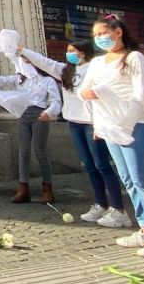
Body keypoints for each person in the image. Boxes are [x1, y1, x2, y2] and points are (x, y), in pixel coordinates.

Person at [80, 14, 144, 258]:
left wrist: (126, 123)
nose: (99, 38)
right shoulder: (97, 63)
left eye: (102, 33)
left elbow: (143, 96)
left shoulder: (134, 58)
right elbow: (84, 89)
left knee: (142, 178)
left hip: (134, 125)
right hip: (110, 127)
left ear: (118, 31)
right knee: (128, 179)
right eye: (96, 35)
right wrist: (90, 98)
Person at [22, 41, 131, 228]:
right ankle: (100, 204)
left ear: (82, 52)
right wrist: (22, 49)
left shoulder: (96, 68)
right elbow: (44, 62)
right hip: (75, 123)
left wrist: (100, 123)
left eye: (72, 51)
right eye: (67, 51)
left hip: (93, 123)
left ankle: (118, 208)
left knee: (102, 165)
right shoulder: (66, 71)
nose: (68, 54)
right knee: (89, 165)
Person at [0, 66, 61, 204]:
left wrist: (49, 111)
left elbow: (56, 100)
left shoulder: (47, 80)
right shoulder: (19, 79)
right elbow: (1, 81)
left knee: (40, 151)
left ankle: (47, 189)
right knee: (23, 152)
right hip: (23, 115)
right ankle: (23, 188)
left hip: (39, 114)